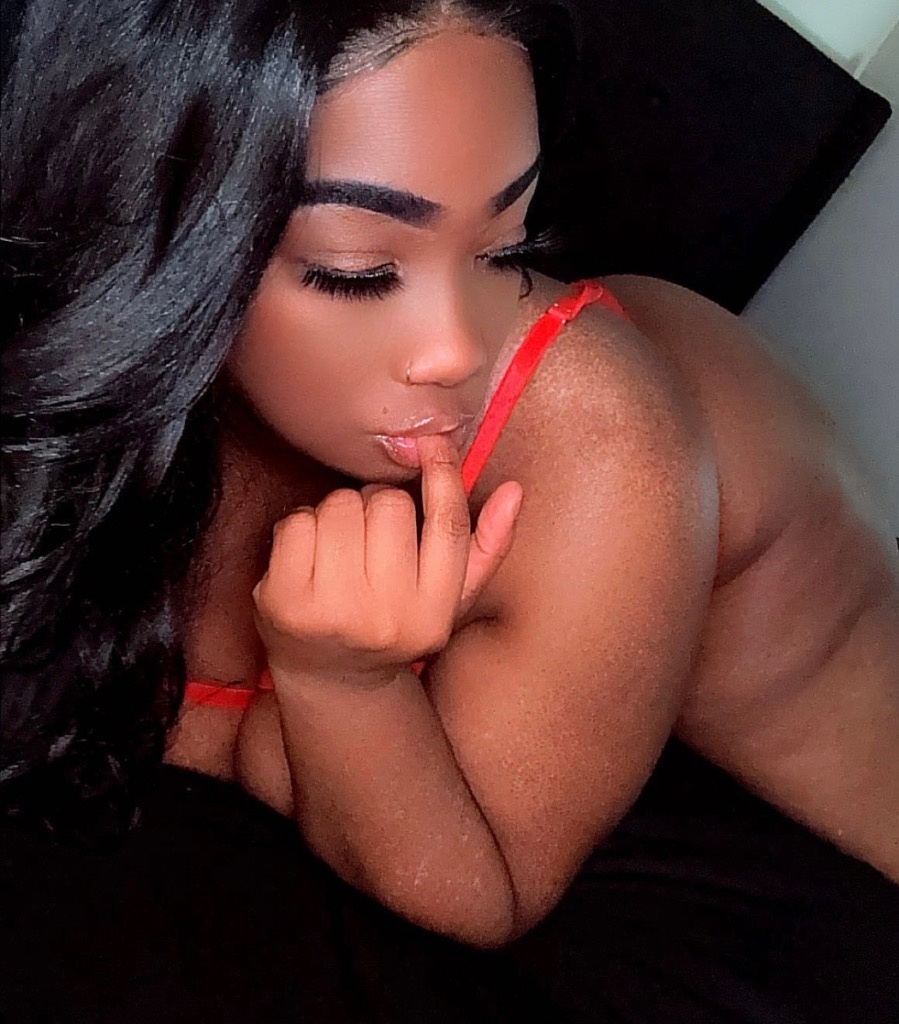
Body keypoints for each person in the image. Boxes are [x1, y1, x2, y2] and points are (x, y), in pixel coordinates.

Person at [2, 1, 897, 1021]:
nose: (454, 349)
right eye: (360, 272)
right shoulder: (122, 359)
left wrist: (340, 683)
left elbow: (480, 889)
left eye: (505, 245)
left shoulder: (604, 438)